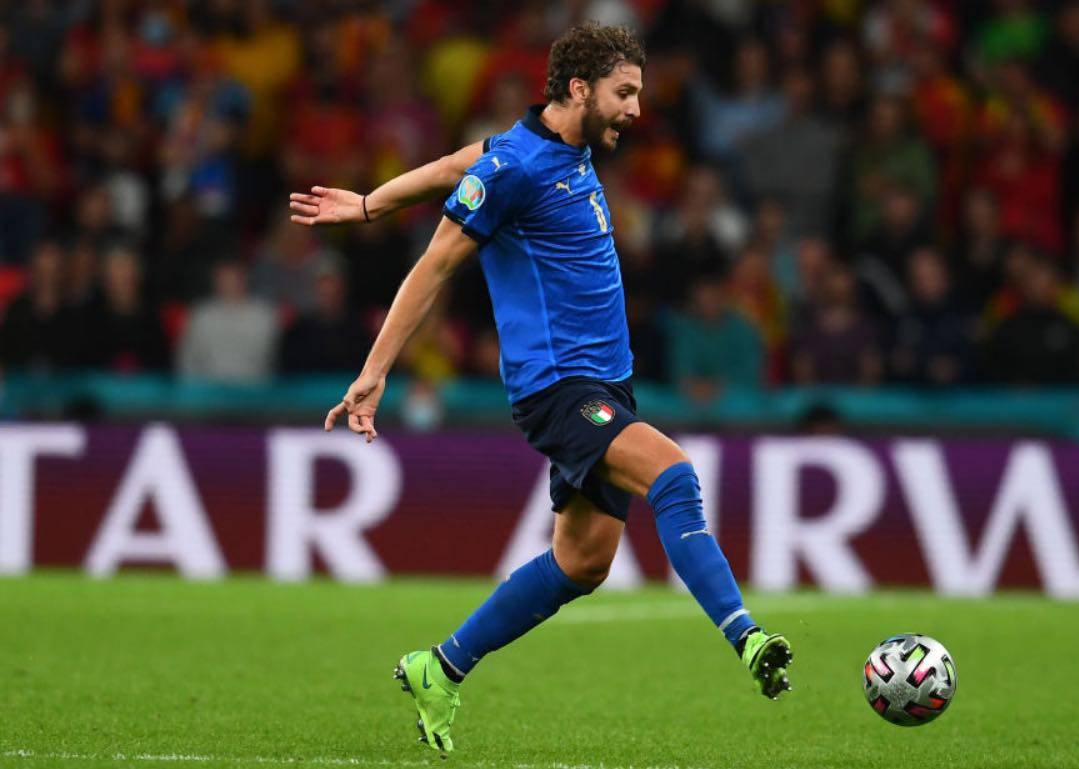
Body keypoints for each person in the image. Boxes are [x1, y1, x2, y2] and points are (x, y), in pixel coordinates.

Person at [287, 23, 791, 758]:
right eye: (625, 94)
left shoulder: (545, 150)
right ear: (579, 88)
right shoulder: (520, 168)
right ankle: (746, 636)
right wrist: (375, 371)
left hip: (603, 386)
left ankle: (441, 665)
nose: (636, 112)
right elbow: (434, 265)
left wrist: (371, 203)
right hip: (560, 388)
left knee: (583, 561)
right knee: (673, 474)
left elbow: (459, 163)